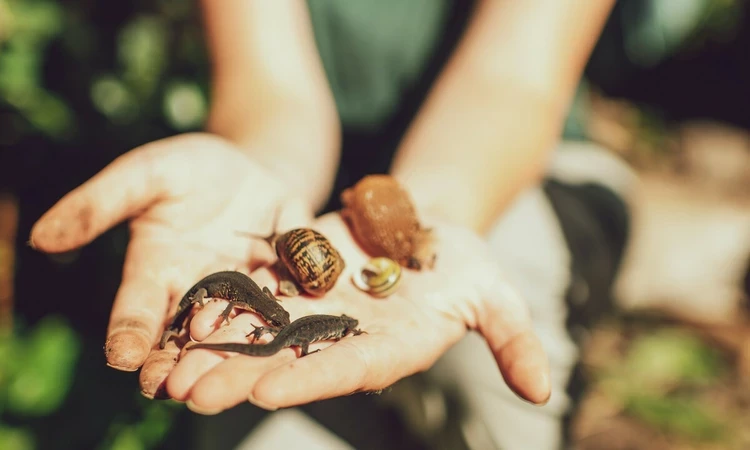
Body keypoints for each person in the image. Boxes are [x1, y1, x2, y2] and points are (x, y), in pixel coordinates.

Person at [28, 1, 633, 448]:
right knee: (267, 430)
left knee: (505, 275)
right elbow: (269, 88)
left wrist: (432, 214)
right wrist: (262, 169)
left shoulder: (298, 314)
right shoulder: (289, 314)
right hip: (312, 181)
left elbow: (513, 84)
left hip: (501, 169)